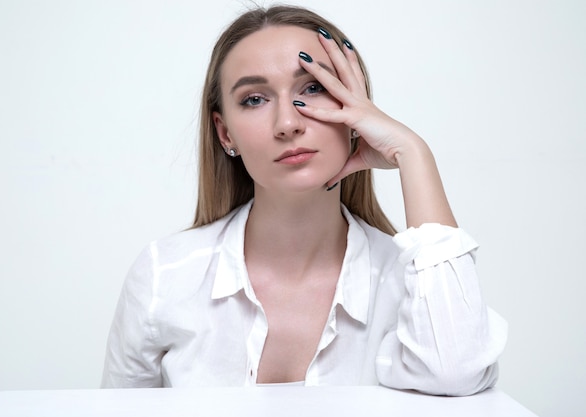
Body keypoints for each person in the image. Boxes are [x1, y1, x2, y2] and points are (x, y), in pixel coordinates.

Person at [101, 5, 507, 396]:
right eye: (254, 99)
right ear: (225, 134)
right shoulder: (163, 276)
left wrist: (413, 153)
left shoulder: (412, 285)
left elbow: (458, 372)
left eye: (313, 88)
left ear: (354, 107)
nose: (288, 123)